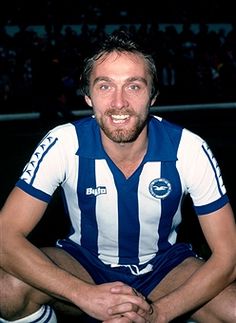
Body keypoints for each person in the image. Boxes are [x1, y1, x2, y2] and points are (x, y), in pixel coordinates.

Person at [0, 30, 236, 323]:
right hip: (84, 264)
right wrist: (83, 294)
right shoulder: (64, 143)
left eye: (134, 86)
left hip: (166, 269)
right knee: (6, 290)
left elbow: (229, 256)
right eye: (105, 86)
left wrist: (159, 313)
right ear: (88, 95)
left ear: (153, 95)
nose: (119, 102)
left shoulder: (189, 149)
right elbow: (4, 236)